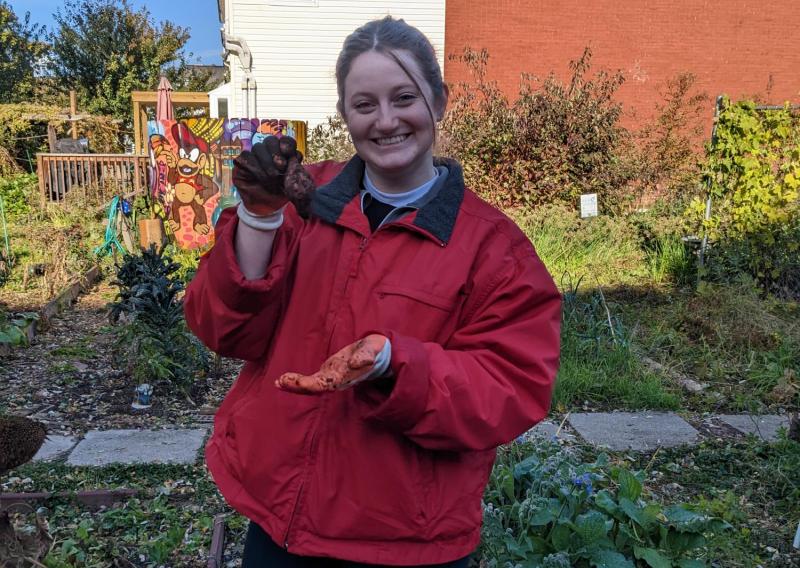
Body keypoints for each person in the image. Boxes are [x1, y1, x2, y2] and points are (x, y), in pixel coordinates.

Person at [184, 15, 561, 568]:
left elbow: (512, 387)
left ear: (440, 101)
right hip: (280, 517)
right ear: (346, 114)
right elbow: (223, 329)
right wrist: (260, 220)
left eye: (404, 97)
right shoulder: (301, 200)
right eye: (365, 105)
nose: (386, 121)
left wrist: (393, 363)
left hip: (407, 539)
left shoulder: (493, 249)